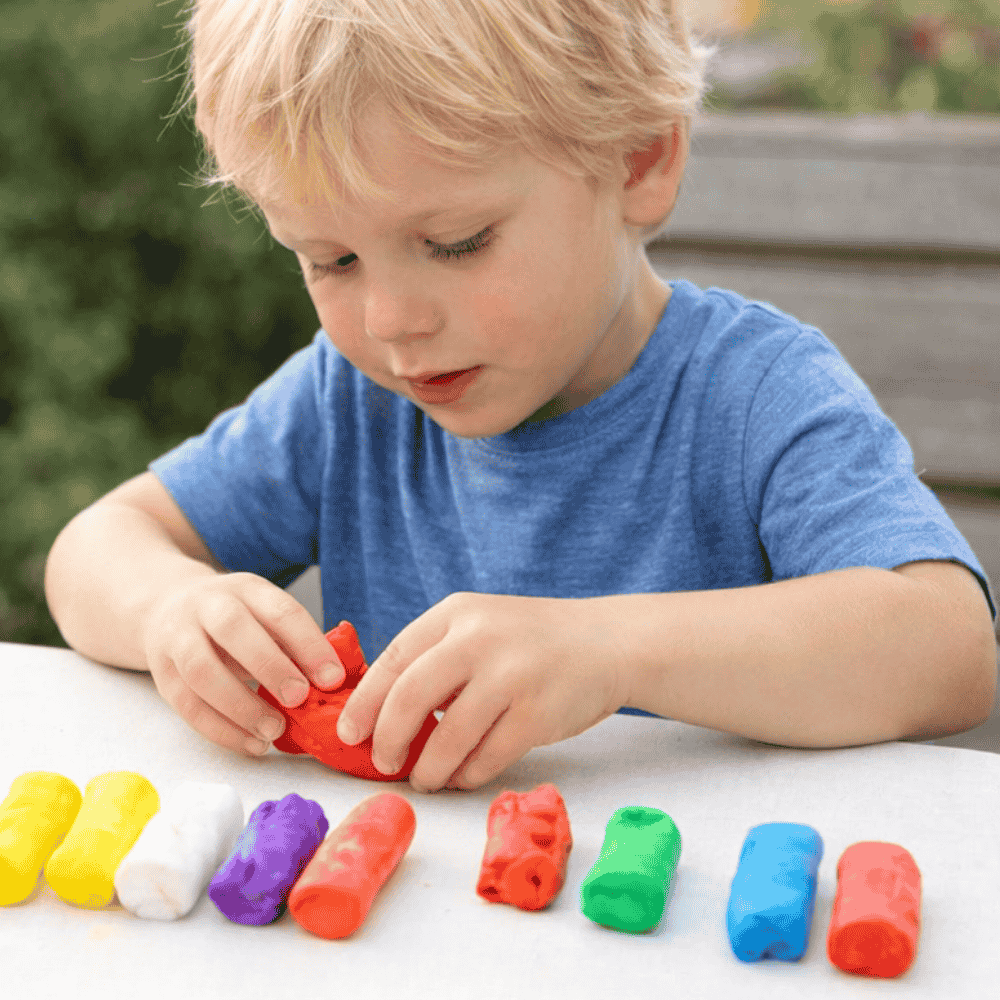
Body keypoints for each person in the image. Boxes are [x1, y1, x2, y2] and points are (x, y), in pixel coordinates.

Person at [45, 0, 997, 795]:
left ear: (638, 161)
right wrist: (173, 611)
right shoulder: (350, 402)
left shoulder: (753, 395)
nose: (391, 319)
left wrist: (610, 651)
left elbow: (948, 648)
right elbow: (97, 546)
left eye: (456, 242)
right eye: (330, 259)